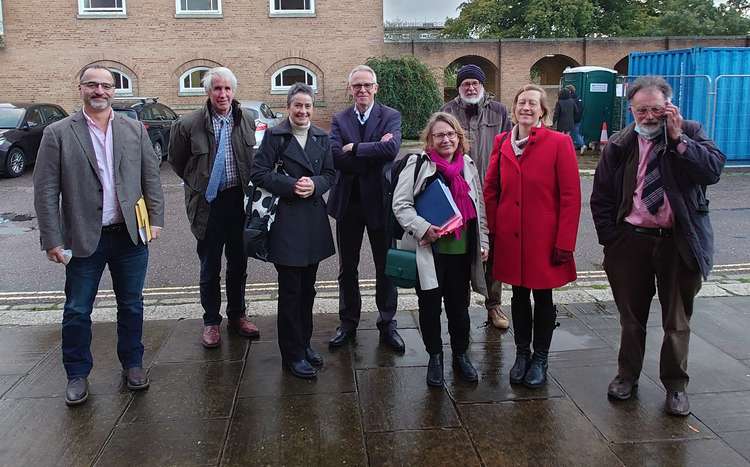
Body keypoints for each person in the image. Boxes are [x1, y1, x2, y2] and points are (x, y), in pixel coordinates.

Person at [591, 76, 725, 416]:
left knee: (676, 320)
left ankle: (676, 386)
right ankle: (627, 377)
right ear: (631, 110)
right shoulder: (620, 144)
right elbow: (602, 197)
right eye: (641, 110)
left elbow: (712, 170)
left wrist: (678, 140)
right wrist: (612, 239)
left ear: (668, 107)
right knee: (631, 318)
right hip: (631, 242)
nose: (648, 117)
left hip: (677, 243)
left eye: (655, 109)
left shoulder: (690, 132)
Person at [33, 64, 164, 406]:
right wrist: (52, 239)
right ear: (80, 88)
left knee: (132, 305)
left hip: (130, 236)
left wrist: (156, 220)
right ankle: (77, 374)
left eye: (106, 86)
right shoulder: (58, 133)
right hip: (82, 238)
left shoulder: (134, 129)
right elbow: (46, 190)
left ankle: (133, 365)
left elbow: (151, 178)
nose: (100, 92)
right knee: (77, 309)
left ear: (114, 91)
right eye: (92, 85)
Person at [484, 84, 581, 389]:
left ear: (543, 111)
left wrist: (565, 242)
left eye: (532, 103)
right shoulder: (502, 141)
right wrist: (492, 230)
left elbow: (570, 196)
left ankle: (540, 357)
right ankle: (522, 354)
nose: (526, 107)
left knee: (543, 295)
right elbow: (491, 189)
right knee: (518, 295)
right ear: (514, 109)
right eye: (521, 102)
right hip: (510, 235)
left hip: (544, 237)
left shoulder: (559, 143)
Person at [392, 112, 489, 387]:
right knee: (430, 308)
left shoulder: (468, 165)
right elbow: (401, 205)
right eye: (439, 135)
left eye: (450, 134)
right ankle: (435, 357)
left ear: (459, 137)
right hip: (430, 251)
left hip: (461, 254)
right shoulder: (418, 164)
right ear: (430, 140)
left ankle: (461, 355)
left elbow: (479, 209)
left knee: (460, 309)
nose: (446, 139)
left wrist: (483, 242)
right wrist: (423, 227)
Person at [169, 67, 260, 348]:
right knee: (210, 266)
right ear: (208, 92)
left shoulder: (246, 119)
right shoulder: (188, 124)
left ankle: (237, 315)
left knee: (238, 264)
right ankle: (211, 321)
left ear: (234, 92)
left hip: (238, 202)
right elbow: (177, 162)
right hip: (208, 204)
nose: (223, 94)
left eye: (227, 89)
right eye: (217, 89)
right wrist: (200, 184)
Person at [249, 83, 336, 379]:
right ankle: (292, 354)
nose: (302, 111)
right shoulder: (275, 135)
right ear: (288, 107)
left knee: (308, 291)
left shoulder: (321, 137)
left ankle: (305, 343)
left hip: (312, 221)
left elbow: (330, 174)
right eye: (297, 105)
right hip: (285, 222)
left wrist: (315, 185)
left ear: (313, 109)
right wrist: (290, 186)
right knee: (290, 292)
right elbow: (258, 172)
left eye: (307, 106)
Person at [326, 65, 405, 352]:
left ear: (376, 88)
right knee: (348, 268)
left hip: (380, 203)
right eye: (356, 86)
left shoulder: (391, 115)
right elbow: (335, 156)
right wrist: (372, 148)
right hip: (348, 203)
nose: (362, 90)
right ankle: (348, 323)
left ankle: (388, 324)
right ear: (350, 89)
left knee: (386, 267)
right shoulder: (339, 118)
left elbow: (391, 150)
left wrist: (355, 148)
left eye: (366, 85)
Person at [441, 63, 512, 330]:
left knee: (492, 250)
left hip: (492, 190)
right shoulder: (447, 111)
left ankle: (493, 305)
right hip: (457, 192)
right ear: (458, 88)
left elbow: (508, 148)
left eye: (475, 83)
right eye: (465, 84)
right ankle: (460, 308)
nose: (470, 87)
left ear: (483, 86)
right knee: (460, 250)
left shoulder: (499, 111)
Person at [565, 84, 585, 149]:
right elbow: (582, 109)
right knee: (575, 133)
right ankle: (576, 145)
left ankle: (582, 145)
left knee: (574, 133)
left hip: (572, 119)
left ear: (570, 91)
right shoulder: (578, 98)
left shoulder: (571, 99)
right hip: (578, 119)